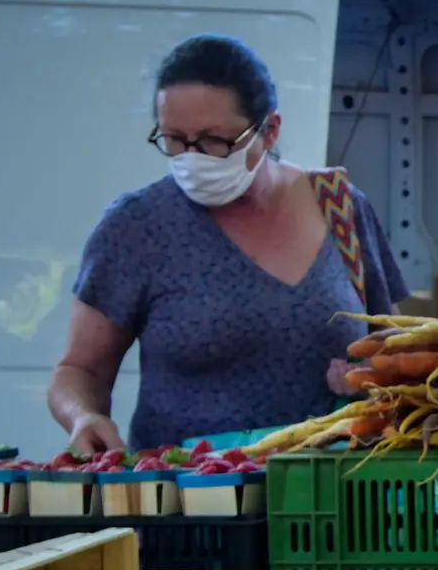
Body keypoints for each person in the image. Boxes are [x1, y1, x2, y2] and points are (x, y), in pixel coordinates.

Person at [49, 34, 408, 454]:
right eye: (174, 140)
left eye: (214, 141)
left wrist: (373, 374)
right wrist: (84, 416)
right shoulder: (136, 227)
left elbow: (397, 346)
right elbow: (79, 370)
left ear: (270, 131)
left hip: (328, 502)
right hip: (191, 506)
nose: (192, 157)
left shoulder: (341, 209)